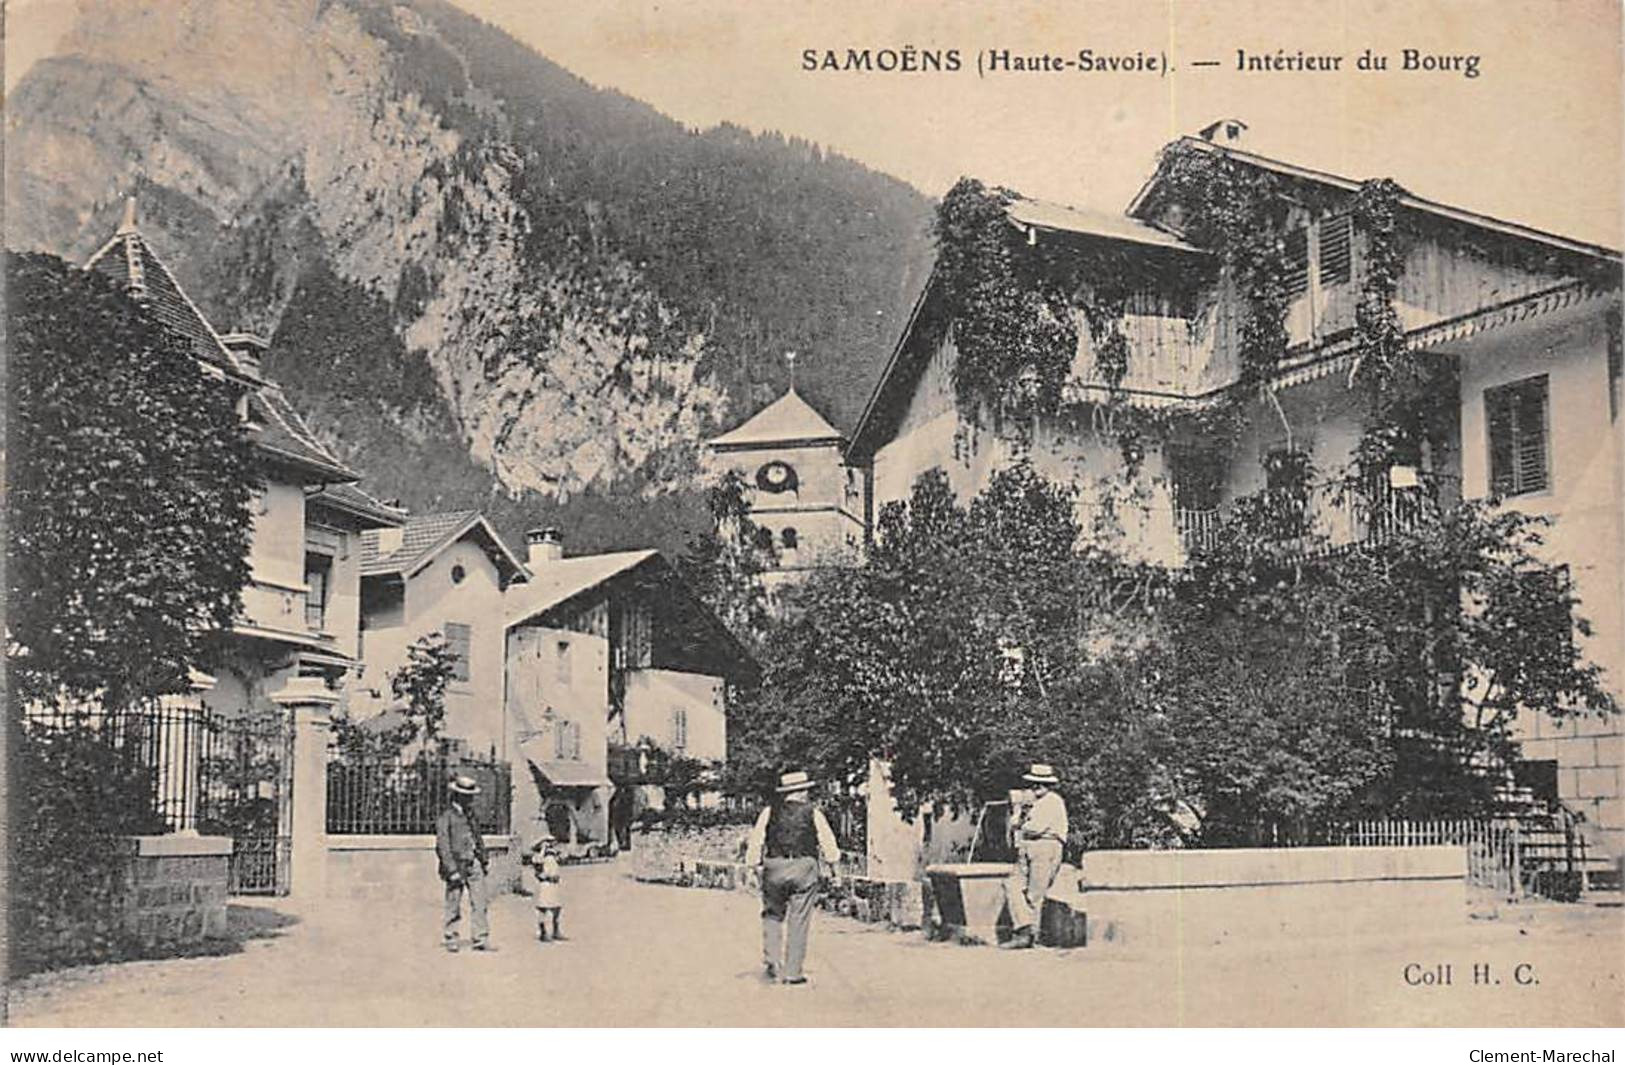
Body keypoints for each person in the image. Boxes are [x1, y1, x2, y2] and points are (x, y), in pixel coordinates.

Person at [743, 770, 841, 985]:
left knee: (772, 913)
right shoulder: (813, 813)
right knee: (799, 919)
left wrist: (751, 867)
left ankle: (772, 960)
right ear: (802, 791)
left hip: (774, 866)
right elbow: (828, 842)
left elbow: (757, 839)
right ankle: (792, 972)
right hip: (803, 867)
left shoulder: (769, 812)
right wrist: (835, 869)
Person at [1001, 763, 1068, 950]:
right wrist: (1020, 814)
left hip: (1046, 846)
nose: (1036, 787)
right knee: (1012, 884)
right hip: (1028, 846)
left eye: (1041, 784)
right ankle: (1023, 928)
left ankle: (1031, 936)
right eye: (1033, 783)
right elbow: (1015, 823)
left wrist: (1021, 821)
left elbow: (1035, 827)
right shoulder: (1032, 803)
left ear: (1049, 786)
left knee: (1034, 893)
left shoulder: (1053, 801)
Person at [435, 774, 494, 953]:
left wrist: (483, 859)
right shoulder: (446, 817)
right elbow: (442, 845)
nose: (470, 800)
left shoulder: (471, 815)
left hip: (474, 862)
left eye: (471, 796)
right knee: (453, 902)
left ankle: (480, 938)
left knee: (480, 902)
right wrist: (451, 869)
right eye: (466, 796)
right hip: (456, 864)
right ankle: (451, 937)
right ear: (457, 796)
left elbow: (478, 837)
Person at [528, 834, 564, 941]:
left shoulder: (553, 856)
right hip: (545, 885)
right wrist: (542, 850)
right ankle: (543, 933)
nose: (551, 845)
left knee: (556, 909)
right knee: (543, 909)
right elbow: (537, 862)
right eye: (548, 843)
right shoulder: (539, 856)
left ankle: (556, 931)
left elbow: (562, 858)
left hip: (554, 884)